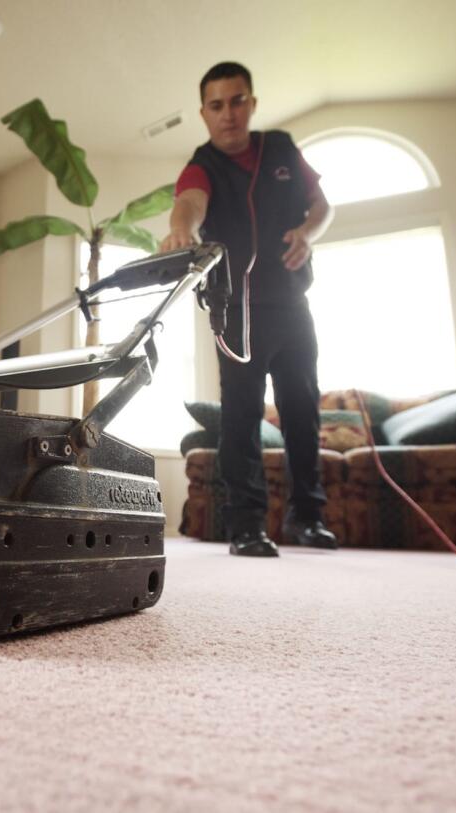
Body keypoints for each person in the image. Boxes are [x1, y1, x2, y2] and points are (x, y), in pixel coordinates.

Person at [160, 61, 336, 558]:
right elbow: (190, 201)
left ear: (252, 104)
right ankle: (247, 526)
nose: (229, 115)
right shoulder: (202, 163)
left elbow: (322, 205)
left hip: (291, 305)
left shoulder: (280, 148)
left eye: (237, 102)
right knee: (240, 415)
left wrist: (308, 232)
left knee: (303, 412)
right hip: (237, 311)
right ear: (204, 113)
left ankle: (309, 517)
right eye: (216, 106)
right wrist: (183, 232)